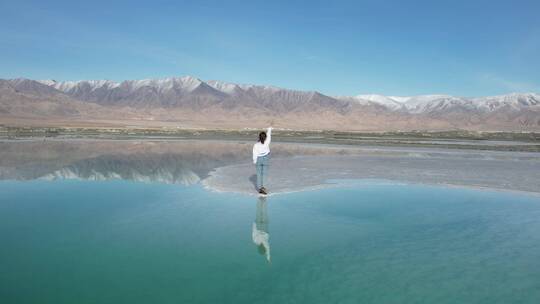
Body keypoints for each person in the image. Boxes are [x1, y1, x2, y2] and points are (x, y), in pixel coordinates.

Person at [252, 126, 272, 194]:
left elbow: (255, 153)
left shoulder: (256, 145)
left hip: (258, 159)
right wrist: (269, 129)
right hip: (266, 158)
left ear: (259, 137)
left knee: (259, 174)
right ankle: (264, 188)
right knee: (264, 174)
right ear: (265, 137)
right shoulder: (267, 142)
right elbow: (269, 136)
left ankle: (260, 188)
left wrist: (254, 161)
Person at [252, 196, 270, 262]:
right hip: (260, 227)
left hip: (264, 228)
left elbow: (268, 249)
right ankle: (261, 200)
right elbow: (253, 232)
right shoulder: (255, 241)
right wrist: (254, 224)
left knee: (263, 213)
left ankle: (263, 200)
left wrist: (268, 257)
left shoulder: (265, 244)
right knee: (259, 212)